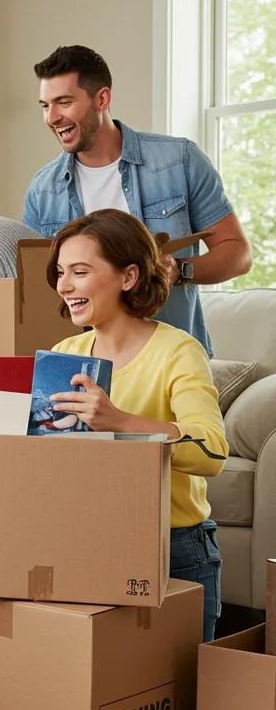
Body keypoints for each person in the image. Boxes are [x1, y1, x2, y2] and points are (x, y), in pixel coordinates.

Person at [46, 208, 228, 640]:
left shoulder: (178, 351)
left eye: (80, 271)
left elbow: (213, 451)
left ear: (128, 276)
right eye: (60, 272)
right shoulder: (65, 352)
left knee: (179, 681)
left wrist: (120, 421)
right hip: (89, 542)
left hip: (173, 544)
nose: (64, 285)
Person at [23, 45, 252, 355]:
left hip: (172, 358)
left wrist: (178, 270)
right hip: (85, 363)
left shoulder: (179, 161)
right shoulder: (43, 190)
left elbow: (238, 253)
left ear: (102, 99)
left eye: (64, 102)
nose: (52, 117)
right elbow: (40, 289)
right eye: (45, 105)